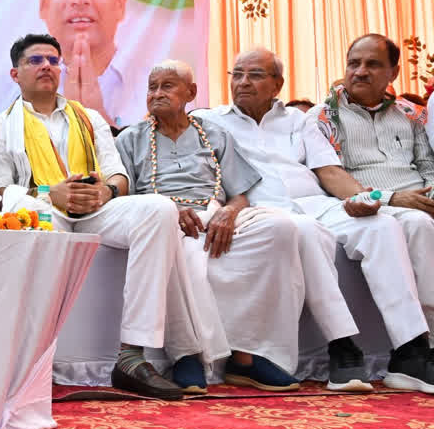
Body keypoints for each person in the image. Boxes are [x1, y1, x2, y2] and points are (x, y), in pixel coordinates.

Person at [195, 48, 429, 392]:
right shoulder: (210, 121)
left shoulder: (299, 119)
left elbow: (327, 169)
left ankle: (410, 351)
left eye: (256, 75)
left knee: (382, 225)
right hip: (261, 209)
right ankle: (342, 346)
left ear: (278, 84)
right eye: (237, 74)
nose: (243, 82)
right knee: (304, 230)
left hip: (316, 202)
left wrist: (361, 200)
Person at [0, 34, 200, 400]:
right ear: (15, 73)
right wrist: (48, 193)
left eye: (54, 61)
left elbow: (119, 175)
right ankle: (34, 362)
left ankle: (133, 355)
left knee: (159, 209)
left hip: (95, 209)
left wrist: (106, 192)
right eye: (35, 61)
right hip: (44, 207)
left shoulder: (88, 119)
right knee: (41, 219)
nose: (47, 68)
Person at [116, 60, 308, 393]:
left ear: (191, 92)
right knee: (186, 248)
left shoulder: (214, 133)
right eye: (152, 87)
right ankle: (187, 355)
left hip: (215, 212)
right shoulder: (130, 139)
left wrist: (228, 213)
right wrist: (171, 209)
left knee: (281, 229)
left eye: (167, 86)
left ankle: (247, 355)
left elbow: (240, 194)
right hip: (164, 217)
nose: (157, 94)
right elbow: (127, 199)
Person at [311, 33, 434, 391]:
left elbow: (427, 165)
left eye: (372, 64)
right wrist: (393, 197)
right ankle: (414, 351)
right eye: (354, 63)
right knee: (416, 225)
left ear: (393, 72)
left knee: (419, 219)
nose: (360, 72)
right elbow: (331, 176)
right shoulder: (324, 116)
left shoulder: (412, 115)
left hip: (418, 200)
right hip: (370, 205)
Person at [39, 0, 137, 126]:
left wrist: (100, 122)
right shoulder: (11, 86)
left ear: (120, 3)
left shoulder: (153, 83)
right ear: (43, 3)